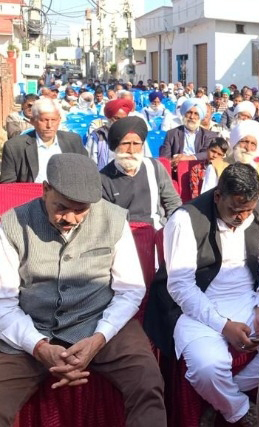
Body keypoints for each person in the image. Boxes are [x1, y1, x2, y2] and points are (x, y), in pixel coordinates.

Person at [0, 153, 167, 426]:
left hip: (101, 322)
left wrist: (99, 338)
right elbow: (3, 303)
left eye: (81, 210)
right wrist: (38, 346)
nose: (71, 218)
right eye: (62, 207)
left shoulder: (113, 219)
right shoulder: (11, 225)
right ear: (45, 190)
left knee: (147, 383)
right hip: (32, 326)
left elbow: (130, 290)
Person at [161, 163, 259, 426]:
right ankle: (239, 410)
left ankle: (221, 399)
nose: (241, 217)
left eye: (248, 210)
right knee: (207, 367)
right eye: (234, 210)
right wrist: (224, 326)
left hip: (250, 298)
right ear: (218, 196)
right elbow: (181, 287)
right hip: (195, 306)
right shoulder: (185, 220)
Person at [99, 117, 181, 229]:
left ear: (142, 145)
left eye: (136, 144)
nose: (131, 150)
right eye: (125, 143)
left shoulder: (155, 167)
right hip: (122, 234)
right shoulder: (103, 178)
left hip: (156, 230)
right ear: (116, 146)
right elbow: (104, 218)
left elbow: (172, 202)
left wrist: (171, 226)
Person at [202, 121, 259, 213]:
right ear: (235, 143)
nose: (248, 148)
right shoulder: (216, 167)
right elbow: (206, 202)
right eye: (244, 141)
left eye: (253, 144)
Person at [1, 98, 87, 183]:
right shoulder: (15, 147)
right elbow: (8, 186)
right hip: (30, 195)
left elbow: (85, 173)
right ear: (33, 121)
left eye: (53, 120)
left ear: (59, 120)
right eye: (43, 120)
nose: (49, 125)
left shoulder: (73, 141)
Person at [87, 99, 154, 168]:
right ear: (109, 118)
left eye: (124, 119)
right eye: (117, 118)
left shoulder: (136, 135)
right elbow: (91, 163)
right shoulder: (98, 136)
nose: (120, 122)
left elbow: (147, 159)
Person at [160, 99, 219, 167]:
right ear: (184, 114)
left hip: (200, 171)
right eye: (189, 112)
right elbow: (164, 158)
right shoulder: (172, 134)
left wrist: (188, 158)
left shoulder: (209, 135)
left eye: (196, 114)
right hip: (176, 170)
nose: (192, 117)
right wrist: (173, 162)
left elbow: (206, 154)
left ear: (200, 117)